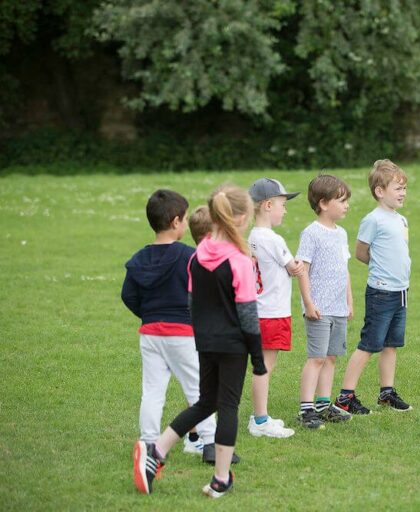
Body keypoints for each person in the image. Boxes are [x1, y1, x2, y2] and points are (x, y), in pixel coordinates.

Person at [133, 185, 267, 498]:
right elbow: (248, 317)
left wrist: (204, 336)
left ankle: (157, 451)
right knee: (228, 407)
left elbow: (193, 305)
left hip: (204, 342)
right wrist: (258, 361)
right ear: (242, 217)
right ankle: (221, 478)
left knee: (206, 402)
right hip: (233, 345)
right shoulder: (239, 260)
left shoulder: (197, 256)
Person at [121, 189, 216, 459]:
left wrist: (149, 314)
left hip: (150, 334)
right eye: (185, 219)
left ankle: (148, 443)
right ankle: (210, 443)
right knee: (198, 389)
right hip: (183, 333)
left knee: (152, 391)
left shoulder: (139, 259)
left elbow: (128, 295)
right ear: (176, 222)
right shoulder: (189, 256)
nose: (186, 224)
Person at [334, 160, 413, 415]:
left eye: (404, 188)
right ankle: (345, 397)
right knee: (370, 344)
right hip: (381, 292)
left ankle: (386, 393)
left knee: (391, 344)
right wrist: (380, 268)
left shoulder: (401, 220)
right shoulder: (373, 220)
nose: (403, 193)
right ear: (380, 191)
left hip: (401, 291)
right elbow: (361, 252)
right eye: (397, 188)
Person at [246, 178, 303, 438]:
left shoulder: (252, 237)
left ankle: (261, 415)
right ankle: (259, 420)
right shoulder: (272, 238)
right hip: (272, 312)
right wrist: (299, 265)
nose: (285, 209)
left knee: (264, 365)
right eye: (282, 204)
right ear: (268, 205)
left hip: (259, 309)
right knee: (265, 367)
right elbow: (293, 267)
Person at [295, 175, 354, 429]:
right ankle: (306, 409)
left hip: (338, 308)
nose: (346, 205)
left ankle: (323, 404)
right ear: (324, 203)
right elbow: (303, 270)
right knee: (316, 358)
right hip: (319, 308)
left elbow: (345, 270)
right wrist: (308, 303)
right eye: (341, 200)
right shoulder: (311, 233)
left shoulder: (342, 234)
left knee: (331, 357)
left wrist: (349, 302)